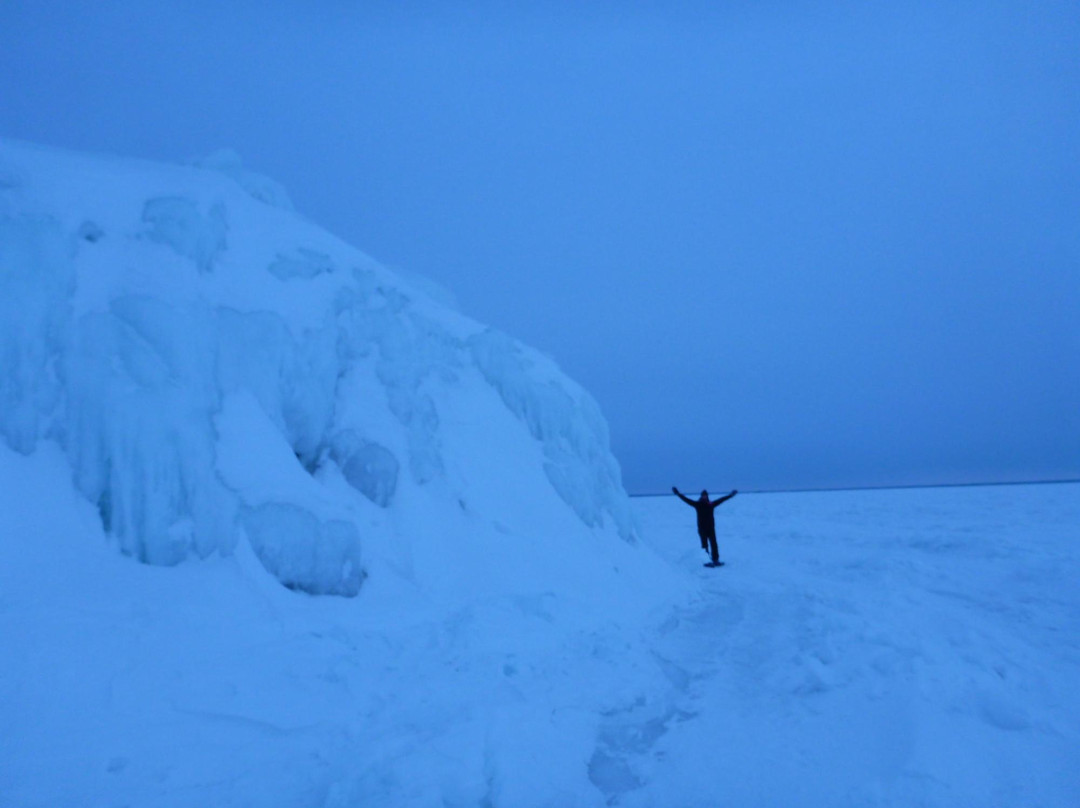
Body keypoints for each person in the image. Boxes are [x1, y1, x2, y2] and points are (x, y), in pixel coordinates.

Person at [672, 486, 738, 565]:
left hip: (711, 528)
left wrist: (730, 495)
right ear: (701, 496)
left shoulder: (711, 504)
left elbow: (721, 500)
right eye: (703, 495)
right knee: (704, 546)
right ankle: (707, 561)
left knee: (714, 544)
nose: (704, 497)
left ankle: (715, 560)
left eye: (705, 495)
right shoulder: (697, 504)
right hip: (702, 529)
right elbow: (686, 500)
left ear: (707, 496)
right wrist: (678, 494)